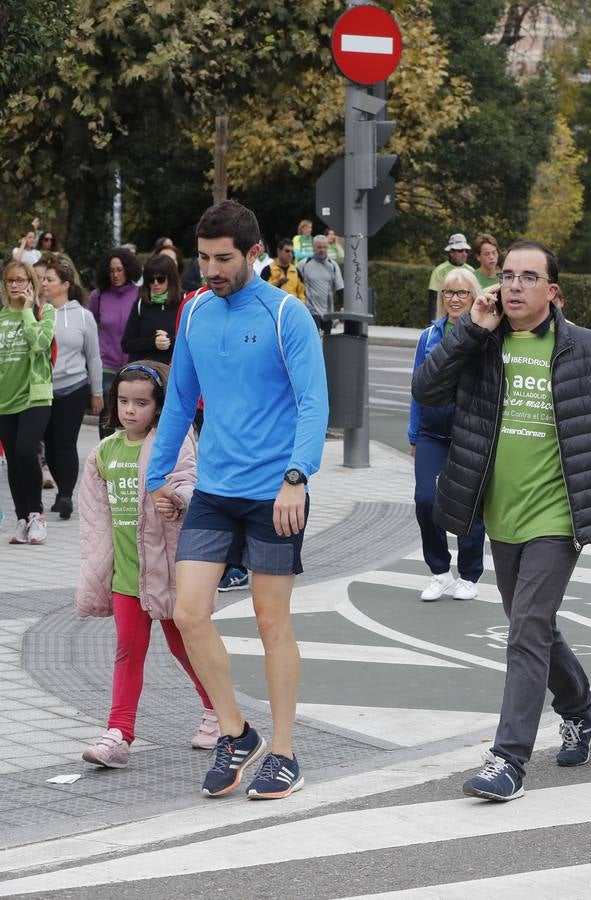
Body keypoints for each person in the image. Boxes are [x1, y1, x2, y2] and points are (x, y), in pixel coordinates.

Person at [411, 240, 591, 803]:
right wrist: (472, 330)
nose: (512, 286)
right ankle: (581, 708)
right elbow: (428, 390)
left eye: (527, 277)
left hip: (559, 516)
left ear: (552, 291)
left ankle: (507, 759)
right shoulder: (481, 342)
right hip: (497, 515)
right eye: (507, 275)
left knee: (526, 626)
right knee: (533, 622)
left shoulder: (587, 351)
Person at [147, 199, 328, 800]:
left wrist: (296, 478)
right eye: (202, 258)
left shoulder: (287, 315)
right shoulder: (196, 311)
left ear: (253, 254)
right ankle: (235, 732)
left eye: (223, 259)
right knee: (187, 612)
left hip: (275, 495)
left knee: (272, 621)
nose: (210, 270)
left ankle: (284, 752)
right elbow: (179, 401)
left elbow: (313, 405)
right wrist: (157, 479)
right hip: (214, 492)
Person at [76, 361, 217, 768]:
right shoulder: (104, 451)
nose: (129, 410)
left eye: (141, 402)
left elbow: (192, 480)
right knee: (127, 651)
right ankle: (118, 735)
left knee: (184, 646)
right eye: (123, 401)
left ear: (159, 406)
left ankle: (217, 712)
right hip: (125, 576)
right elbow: (95, 523)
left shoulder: (172, 440)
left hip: (170, 570)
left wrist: (177, 500)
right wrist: (96, 571)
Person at [408, 269, 487, 602]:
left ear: (474, 297)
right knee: (426, 499)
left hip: (470, 433)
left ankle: (469, 575)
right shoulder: (429, 337)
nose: (454, 299)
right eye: (448, 293)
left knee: (469, 505)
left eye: (462, 293)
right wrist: (413, 434)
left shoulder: (486, 335)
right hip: (431, 432)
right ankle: (440, 571)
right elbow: (417, 387)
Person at [40, 254, 103, 520]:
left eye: (49, 279)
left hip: (74, 387)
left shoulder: (83, 316)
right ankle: (58, 489)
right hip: (42, 389)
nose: (43, 283)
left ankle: (65, 495)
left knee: (65, 443)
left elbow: (93, 356)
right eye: (42, 279)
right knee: (49, 444)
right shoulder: (37, 312)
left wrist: (97, 391)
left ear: (65, 284)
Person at [1, 261, 55, 543]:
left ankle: (37, 515)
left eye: (20, 280)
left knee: (25, 451)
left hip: (35, 396)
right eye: (10, 280)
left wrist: (25, 312)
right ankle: (22, 518)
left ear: (31, 282)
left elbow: (40, 343)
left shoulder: (44, 312)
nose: (14, 285)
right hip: (4, 399)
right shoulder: (0, 316)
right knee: (13, 459)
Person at [87, 248, 143, 437]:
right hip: (106, 365)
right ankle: (105, 459)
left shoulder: (140, 294)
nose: (115, 275)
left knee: (134, 415)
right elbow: (90, 325)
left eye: (119, 269)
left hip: (133, 363)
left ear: (128, 269)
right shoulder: (98, 296)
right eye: (111, 271)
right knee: (107, 416)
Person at [120, 254, 183, 367]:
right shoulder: (141, 304)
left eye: (160, 279)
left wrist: (171, 341)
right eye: (150, 279)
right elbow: (126, 344)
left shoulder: (184, 302)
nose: (155, 283)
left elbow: (194, 342)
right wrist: (153, 342)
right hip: (145, 374)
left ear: (171, 278)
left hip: (175, 371)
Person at [298, 235, 343, 334]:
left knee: (326, 342)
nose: (322, 250)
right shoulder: (304, 264)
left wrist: (344, 307)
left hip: (328, 313)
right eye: (319, 247)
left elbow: (340, 289)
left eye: (324, 247)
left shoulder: (333, 265)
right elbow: (297, 285)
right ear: (313, 248)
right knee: (316, 338)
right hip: (310, 311)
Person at [426, 233, 473, 323]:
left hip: (466, 321)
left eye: (466, 251)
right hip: (444, 319)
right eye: (460, 250)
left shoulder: (471, 271)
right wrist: (432, 325)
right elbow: (433, 302)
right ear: (451, 252)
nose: (464, 254)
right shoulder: (439, 271)